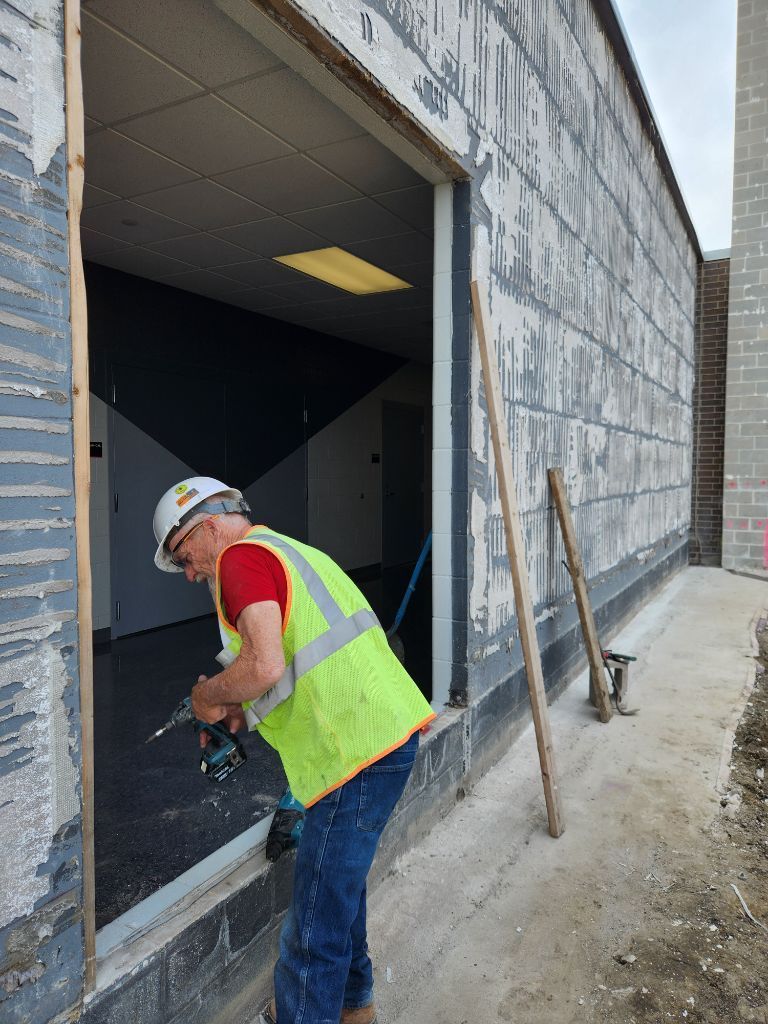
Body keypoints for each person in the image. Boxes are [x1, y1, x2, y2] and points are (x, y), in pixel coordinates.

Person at [152, 477, 435, 1024]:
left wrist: (206, 695)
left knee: (311, 932)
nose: (189, 573)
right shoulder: (289, 550)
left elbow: (263, 665)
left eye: (185, 556)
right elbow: (292, 660)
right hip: (384, 738)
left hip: (353, 758)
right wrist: (238, 709)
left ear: (208, 528)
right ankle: (357, 1009)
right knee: (337, 898)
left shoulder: (237, 560)